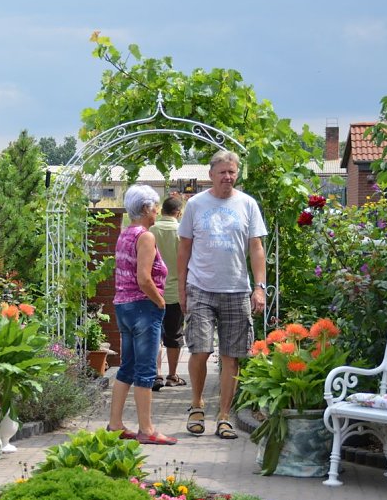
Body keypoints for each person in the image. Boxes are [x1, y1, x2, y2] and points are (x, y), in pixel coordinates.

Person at [178, 150, 267, 440]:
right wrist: (181, 287)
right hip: (201, 287)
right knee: (200, 350)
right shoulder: (195, 204)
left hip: (236, 289)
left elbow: (256, 248)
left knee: (232, 357)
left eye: (232, 172)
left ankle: (225, 416)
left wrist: (259, 287)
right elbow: (184, 248)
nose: (228, 177)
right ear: (211, 175)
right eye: (222, 172)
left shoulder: (247, 204)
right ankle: (196, 405)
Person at [106, 184, 177, 445]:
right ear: (146, 208)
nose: (157, 210)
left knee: (128, 366)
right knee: (146, 371)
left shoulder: (125, 234)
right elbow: (145, 279)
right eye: (155, 206)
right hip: (142, 307)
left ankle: (114, 424)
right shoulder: (145, 236)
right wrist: (160, 302)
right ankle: (146, 429)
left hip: (123, 306)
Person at [149, 195, 185, 391]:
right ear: (178, 212)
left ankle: (156, 374)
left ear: (162, 210)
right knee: (174, 334)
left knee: (155, 332)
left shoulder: (150, 230)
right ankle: (172, 375)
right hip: (175, 291)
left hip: (152, 290)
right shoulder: (181, 231)